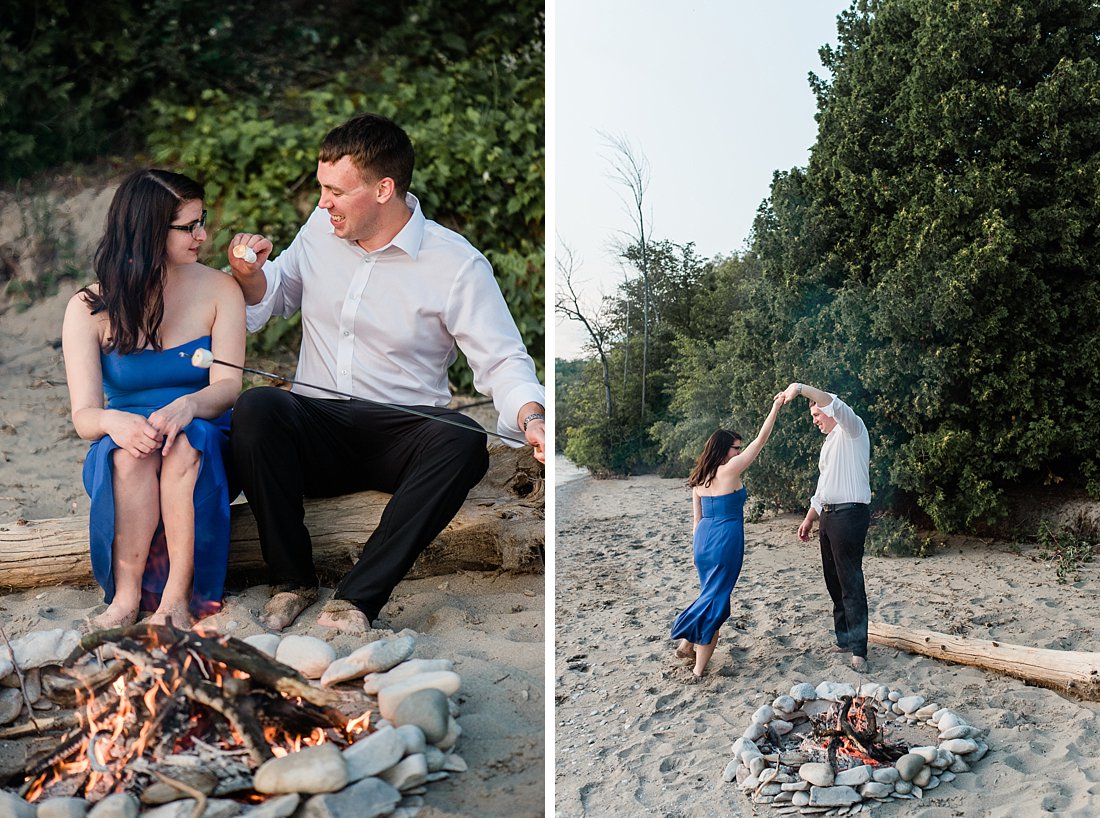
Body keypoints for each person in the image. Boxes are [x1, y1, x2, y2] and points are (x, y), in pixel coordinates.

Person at [226, 112, 546, 634]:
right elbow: (272, 299)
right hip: (317, 427)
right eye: (321, 188)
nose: (323, 202)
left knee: (462, 437)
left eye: (336, 191)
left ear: (384, 189)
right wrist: (249, 276)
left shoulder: (456, 264)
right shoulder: (320, 229)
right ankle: (292, 579)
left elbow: (502, 360)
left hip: (397, 437)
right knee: (258, 405)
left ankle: (355, 599)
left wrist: (532, 417)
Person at [63, 169, 246, 630]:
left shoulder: (221, 289)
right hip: (125, 436)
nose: (202, 235)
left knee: (186, 443)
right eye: (189, 226)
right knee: (129, 456)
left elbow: (227, 386)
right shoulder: (89, 307)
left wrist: (188, 406)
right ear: (148, 229)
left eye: (201, 221)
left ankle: (176, 599)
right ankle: (125, 599)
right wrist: (113, 422)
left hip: (202, 426)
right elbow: (84, 416)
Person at [671, 395, 786, 678]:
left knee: (709, 595)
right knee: (717, 602)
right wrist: (775, 407)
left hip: (703, 542)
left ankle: (687, 643)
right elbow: (760, 442)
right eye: (736, 447)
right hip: (725, 540)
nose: (739, 451)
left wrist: (694, 551)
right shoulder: (729, 469)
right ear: (724, 450)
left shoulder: (699, 480)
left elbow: (696, 520)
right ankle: (698, 669)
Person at [777, 381, 872, 671]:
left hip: (850, 515)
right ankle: (844, 639)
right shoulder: (830, 443)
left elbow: (834, 402)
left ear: (830, 412)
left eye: (817, 416)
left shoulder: (852, 429)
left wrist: (798, 388)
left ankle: (859, 650)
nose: (815, 421)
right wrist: (809, 517)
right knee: (833, 580)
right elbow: (823, 487)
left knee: (850, 581)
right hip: (828, 516)